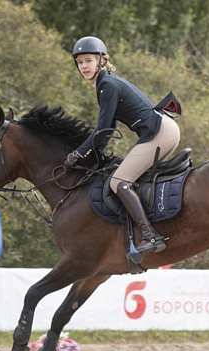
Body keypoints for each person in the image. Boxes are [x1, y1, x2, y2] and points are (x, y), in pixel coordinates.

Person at [65, 36, 181, 255]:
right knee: (132, 177)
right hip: (164, 129)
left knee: (119, 181)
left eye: (88, 60)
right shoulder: (106, 83)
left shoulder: (106, 85)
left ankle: (150, 235)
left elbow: (101, 129)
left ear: (101, 60)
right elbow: (108, 128)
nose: (84, 66)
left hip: (160, 132)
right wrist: (94, 153)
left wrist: (77, 154)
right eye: (80, 62)